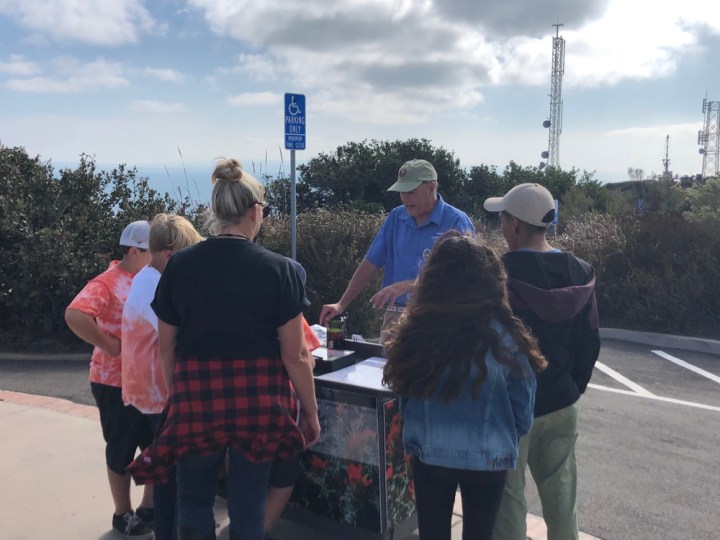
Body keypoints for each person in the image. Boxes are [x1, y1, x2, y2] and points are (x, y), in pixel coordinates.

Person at [127, 158, 320, 540]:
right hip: (261, 401)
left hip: (197, 396)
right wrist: (310, 413)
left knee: (194, 502)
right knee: (247, 504)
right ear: (253, 211)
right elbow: (295, 355)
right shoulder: (279, 269)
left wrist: (174, 399)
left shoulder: (179, 265)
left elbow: (168, 348)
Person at [382, 231, 547, 540]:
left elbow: (403, 394)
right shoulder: (507, 335)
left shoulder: (417, 332)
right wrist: (510, 434)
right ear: (491, 280)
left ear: (433, 279)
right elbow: (522, 405)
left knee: (432, 533)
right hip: (490, 457)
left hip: (429, 452)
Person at [483, 183, 601, 540]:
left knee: (508, 501)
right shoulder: (581, 271)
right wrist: (569, 387)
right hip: (562, 402)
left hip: (510, 409)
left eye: (502, 220)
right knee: (563, 500)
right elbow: (591, 341)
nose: (500, 228)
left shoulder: (497, 274)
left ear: (517, 224)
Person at [65, 220, 155, 537]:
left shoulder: (149, 278)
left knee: (152, 447)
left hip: (146, 381)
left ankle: (148, 507)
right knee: (121, 448)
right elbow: (75, 314)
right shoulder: (108, 282)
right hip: (113, 381)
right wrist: (109, 345)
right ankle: (123, 513)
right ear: (135, 251)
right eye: (152, 251)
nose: (157, 257)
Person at [319, 159, 475, 340]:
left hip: (438, 319)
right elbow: (370, 262)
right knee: (387, 368)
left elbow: (462, 278)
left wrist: (406, 286)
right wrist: (341, 304)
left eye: (411, 192)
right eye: (401, 192)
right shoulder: (396, 216)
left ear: (431, 188)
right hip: (395, 319)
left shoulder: (456, 222)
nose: (405, 198)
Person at [121, 213, 204, 540]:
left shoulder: (147, 277)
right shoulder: (154, 283)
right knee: (171, 479)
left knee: (165, 475)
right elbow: (176, 336)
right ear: (171, 254)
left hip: (148, 390)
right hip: (158, 395)